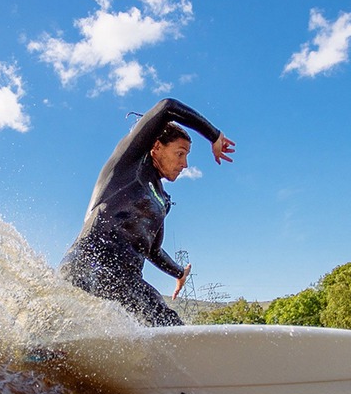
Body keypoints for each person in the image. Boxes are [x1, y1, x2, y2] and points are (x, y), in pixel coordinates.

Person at [59, 98, 235, 327]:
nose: (185, 164)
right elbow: (167, 107)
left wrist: (179, 273)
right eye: (180, 153)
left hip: (127, 279)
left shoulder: (162, 201)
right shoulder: (128, 165)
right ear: (157, 147)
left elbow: (152, 250)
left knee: (171, 326)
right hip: (89, 262)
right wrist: (214, 135)